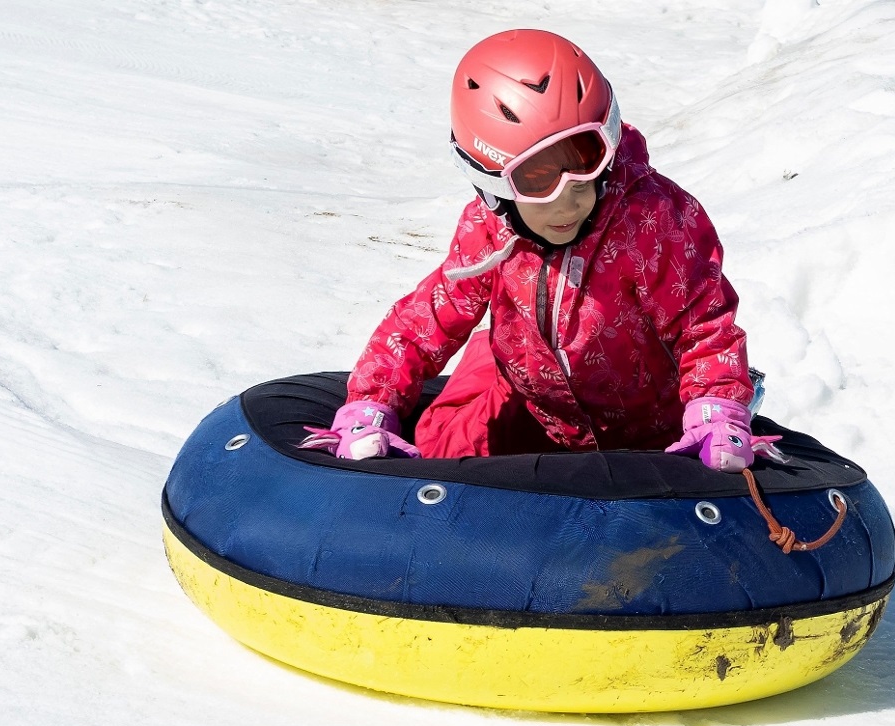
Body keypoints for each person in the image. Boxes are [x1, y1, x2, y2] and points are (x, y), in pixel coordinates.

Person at [301, 28, 769, 473]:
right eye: (538, 180)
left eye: (585, 159)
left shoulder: (653, 222)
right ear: (494, 183)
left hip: (646, 433)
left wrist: (716, 406)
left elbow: (703, 325)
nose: (568, 200)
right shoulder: (490, 231)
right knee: (438, 454)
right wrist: (372, 403)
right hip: (536, 408)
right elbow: (425, 319)